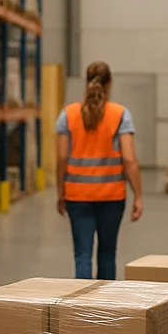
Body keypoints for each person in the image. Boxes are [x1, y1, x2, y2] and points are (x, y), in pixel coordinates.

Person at [55, 61, 143, 280]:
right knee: (107, 254)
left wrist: (60, 194)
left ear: (87, 82)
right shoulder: (120, 115)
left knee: (82, 256)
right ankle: (105, 310)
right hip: (111, 196)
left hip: (77, 196)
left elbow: (61, 158)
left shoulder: (68, 115)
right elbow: (130, 159)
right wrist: (138, 196)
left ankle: (81, 310)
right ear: (110, 83)